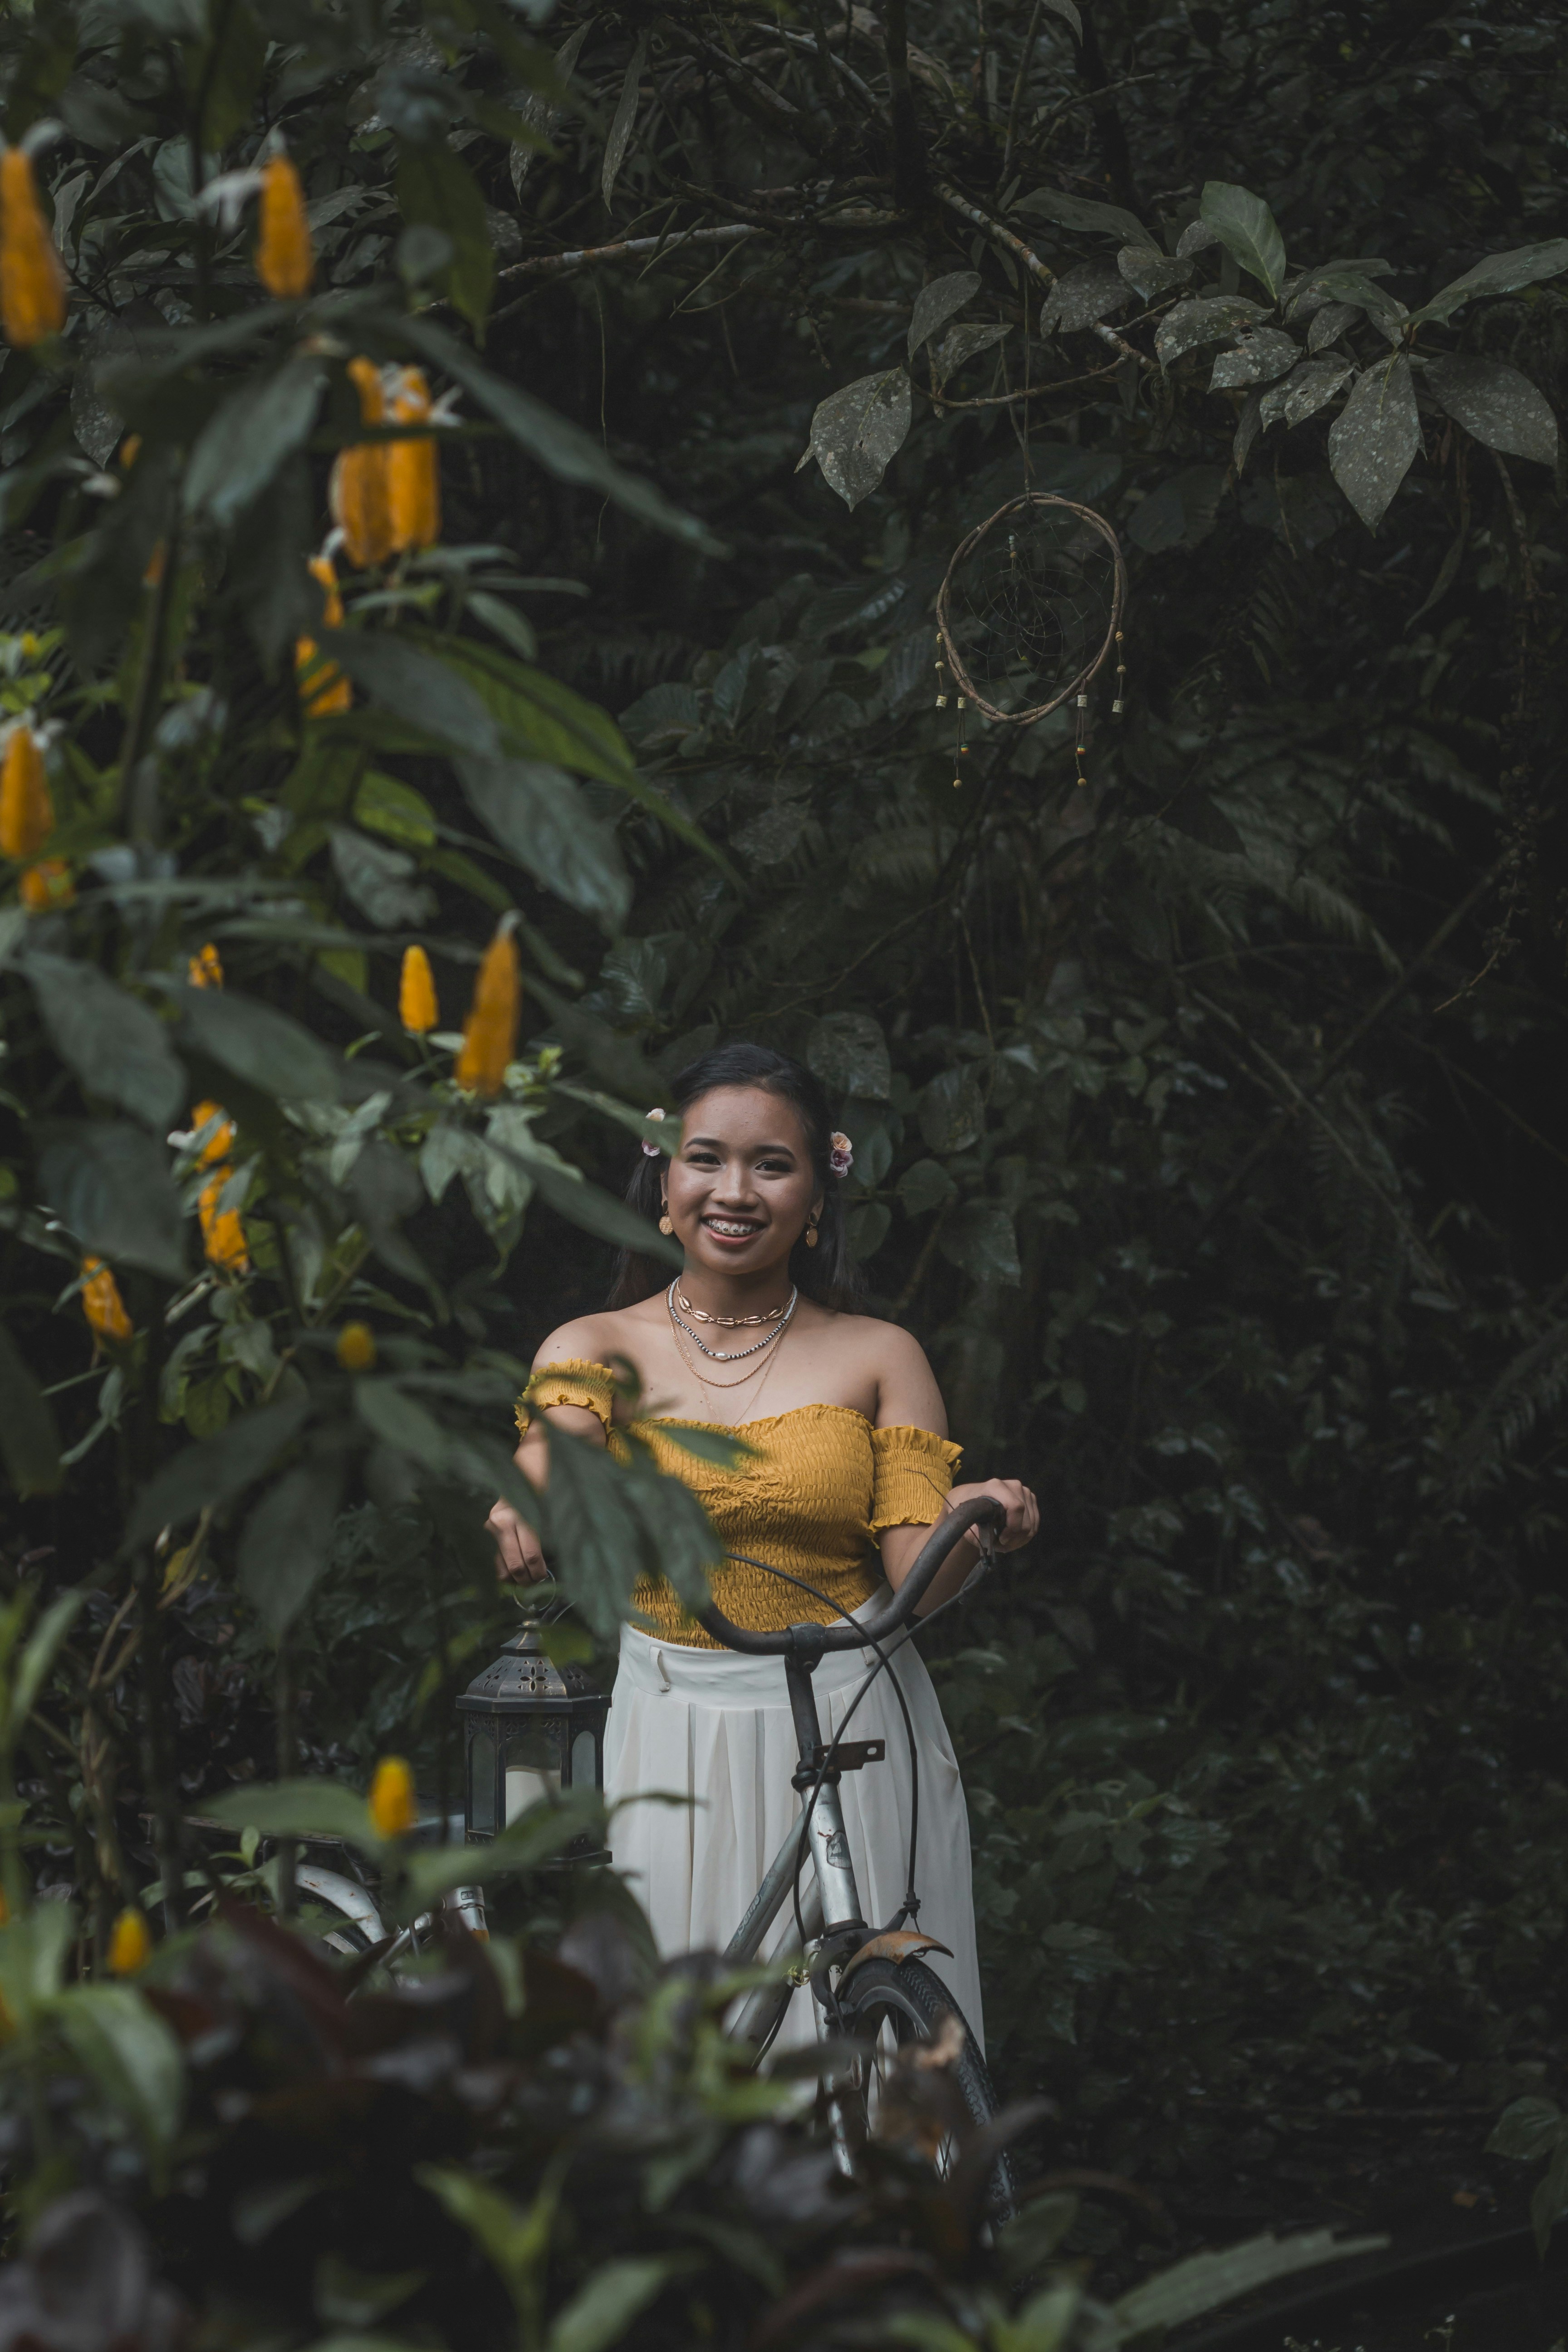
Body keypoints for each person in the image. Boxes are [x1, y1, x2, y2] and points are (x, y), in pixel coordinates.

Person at [485, 1042, 1037, 2049]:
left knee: (879, 2053)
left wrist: (979, 1517)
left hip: (857, 1720)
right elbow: (557, 1461)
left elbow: (919, 1574)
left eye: (771, 1165)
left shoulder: (879, 1354)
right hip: (674, 1726)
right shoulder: (593, 1346)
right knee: (678, 2048)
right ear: (664, 1179)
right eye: (706, 1159)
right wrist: (529, 1500)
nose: (734, 1192)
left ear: (817, 1189)